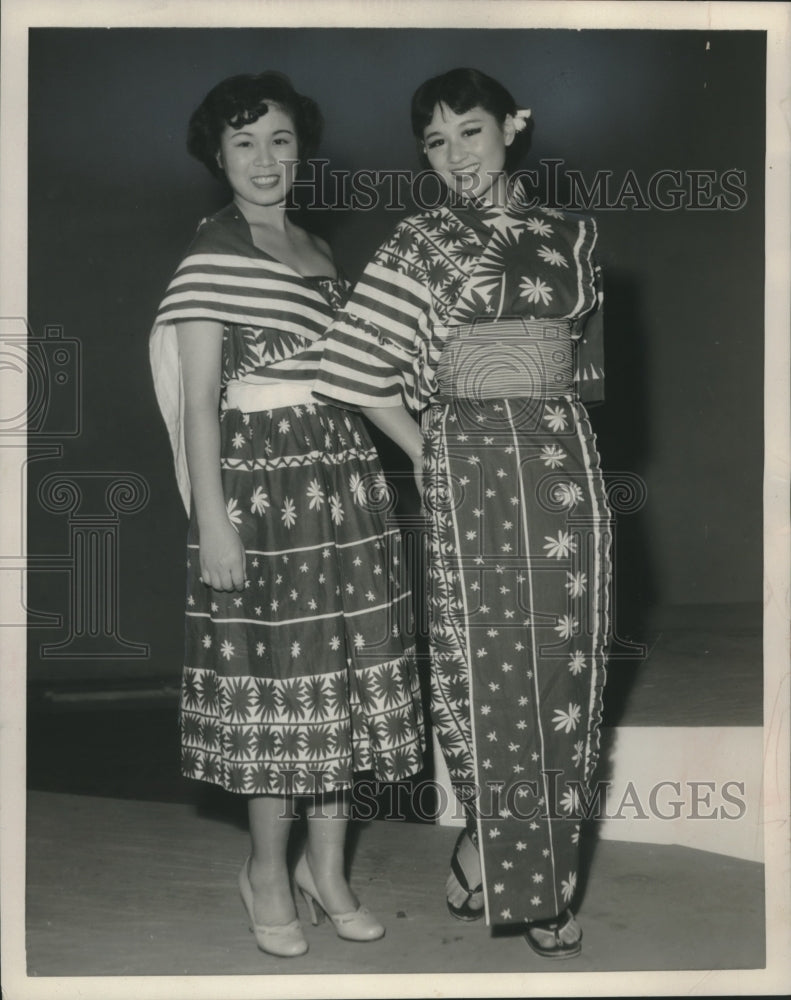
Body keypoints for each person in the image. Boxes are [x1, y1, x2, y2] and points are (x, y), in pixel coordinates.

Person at [313, 67, 611, 959]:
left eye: (470, 132)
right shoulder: (419, 241)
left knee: (569, 667)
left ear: (511, 128)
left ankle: (491, 841)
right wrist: (428, 454)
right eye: (435, 144)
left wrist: (566, 442)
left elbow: (587, 372)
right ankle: (534, 890)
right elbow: (357, 370)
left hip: (568, 470)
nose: (455, 157)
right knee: (488, 674)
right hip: (472, 470)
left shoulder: (573, 233)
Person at [149, 71, 424, 958]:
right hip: (264, 499)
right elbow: (198, 405)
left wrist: (423, 453)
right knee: (282, 685)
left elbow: (351, 379)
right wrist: (215, 522)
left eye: (278, 141)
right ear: (217, 157)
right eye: (243, 143)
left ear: (299, 150)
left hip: (345, 487)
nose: (264, 160)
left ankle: (328, 869)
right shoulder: (211, 253)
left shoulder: (316, 247)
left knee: (341, 684)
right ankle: (267, 872)